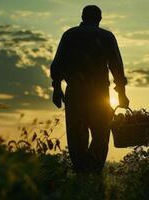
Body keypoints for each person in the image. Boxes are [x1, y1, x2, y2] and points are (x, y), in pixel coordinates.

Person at [50, 5, 129, 173]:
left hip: (75, 93)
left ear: (82, 17)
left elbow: (57, 65)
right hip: (99, 95)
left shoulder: (70, 35)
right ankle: (92, 173)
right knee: (101, 135)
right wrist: (122, 94)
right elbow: (117, 67)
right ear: (99, 19)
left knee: (76, 136)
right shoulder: (106, 36)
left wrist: (57, 89)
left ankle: (81, 172)